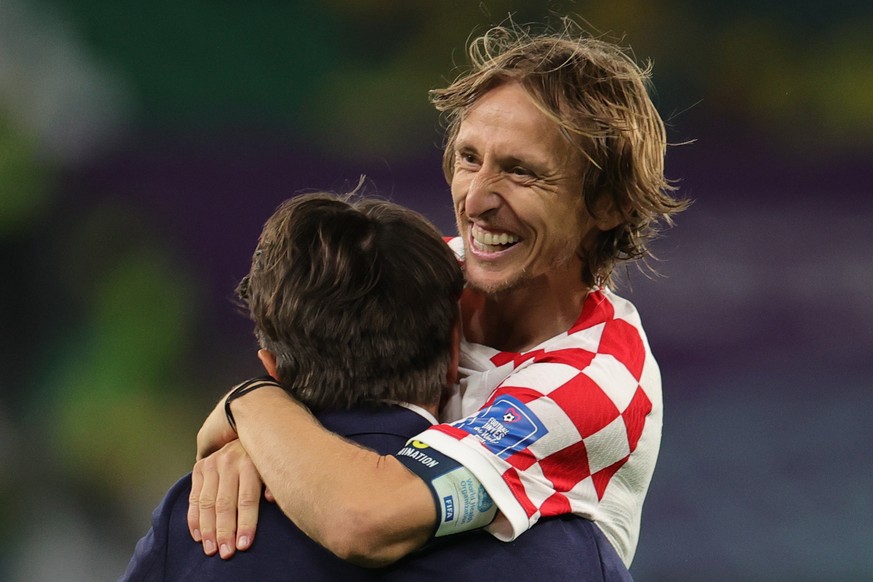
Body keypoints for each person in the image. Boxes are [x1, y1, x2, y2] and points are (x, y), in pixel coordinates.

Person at [189, 20, 689, 571]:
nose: (475, 199)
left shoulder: (599, 382)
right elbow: (275, 415)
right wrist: (249, 446)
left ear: (610, 205)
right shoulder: (423, 273)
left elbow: (362, 519)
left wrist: (251, 406)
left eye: (521, 173)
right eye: (470, 159)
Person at [121, 192, 630, 581]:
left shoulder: (201, 525)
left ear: (273, 368)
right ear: (455, 347)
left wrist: (249, 403)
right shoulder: (567, 552)